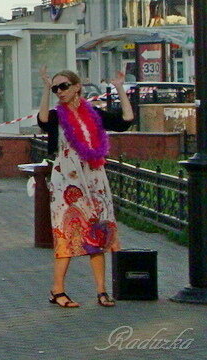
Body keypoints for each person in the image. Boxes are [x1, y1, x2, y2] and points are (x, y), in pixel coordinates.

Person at [37, 68, 134, 308]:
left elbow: (125, 121)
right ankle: (57, 289)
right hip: (67, 182)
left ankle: (102, 290)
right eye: (55, 88)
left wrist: (120, 88)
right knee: (66, 233)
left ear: (77, 86)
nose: (60, 92)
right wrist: (45, 89)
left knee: (97, 233)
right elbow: (42, 121)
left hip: (94, 180)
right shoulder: (57, 115)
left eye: (63, 87)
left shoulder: (93, 113)